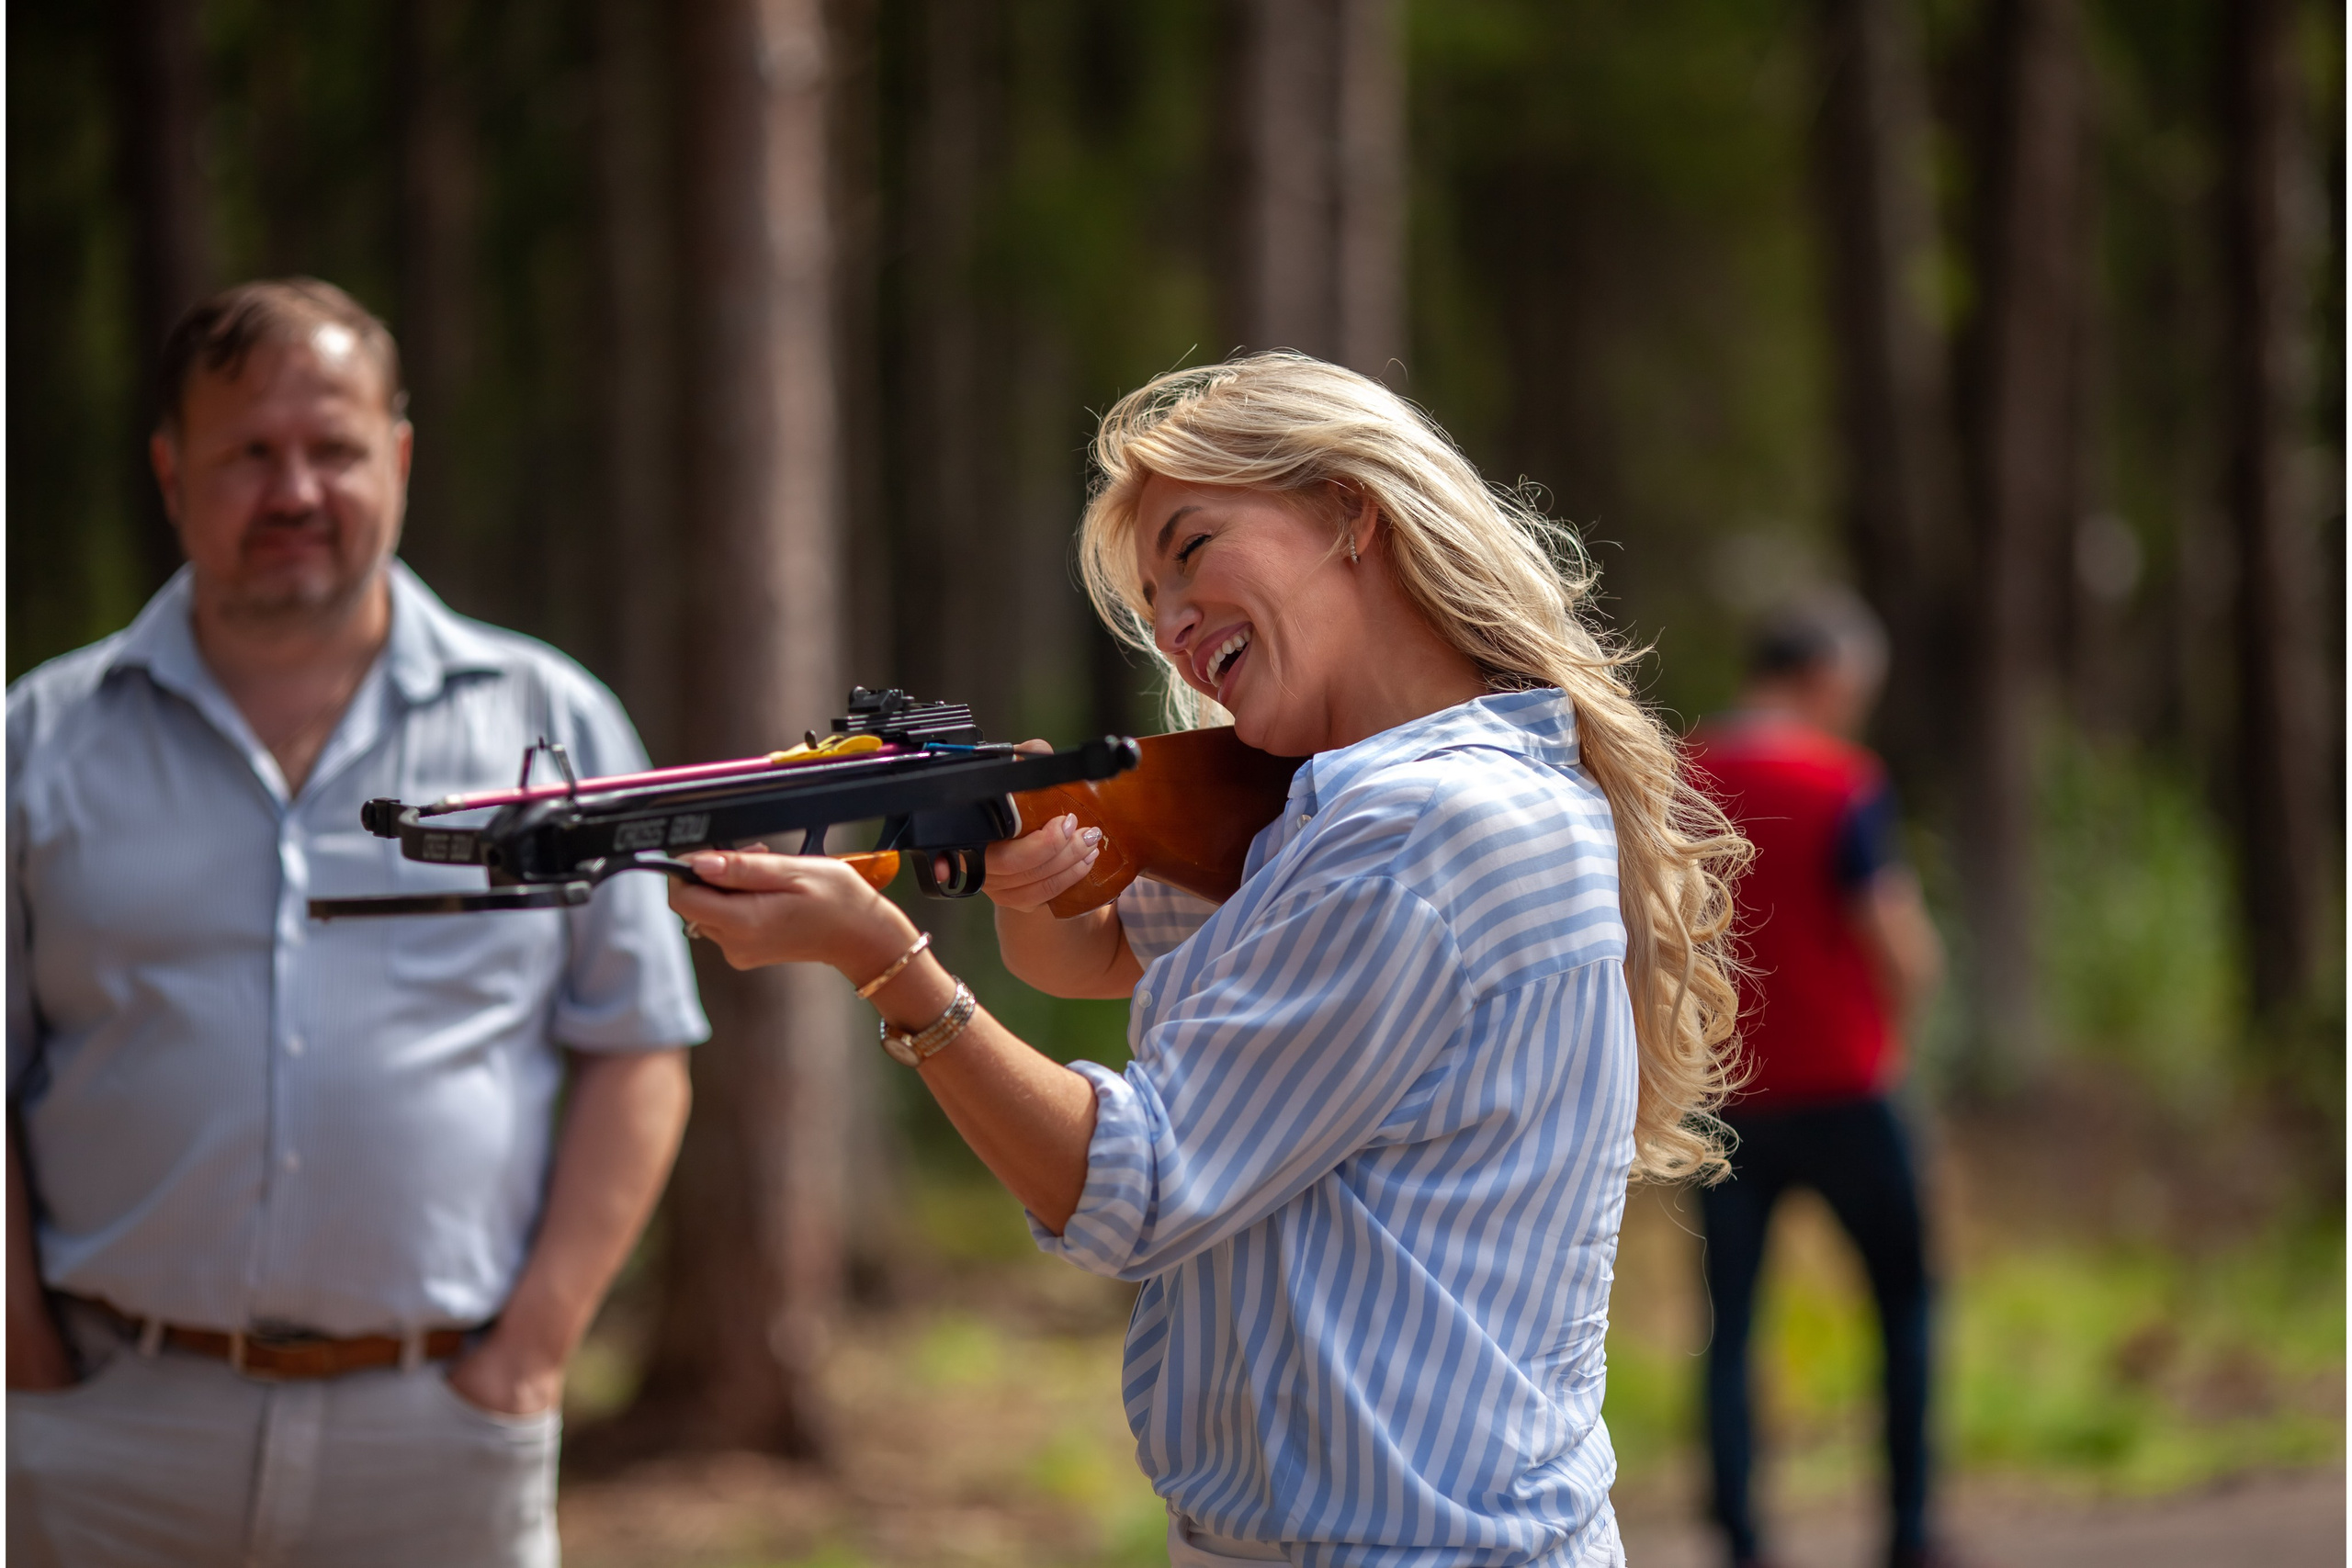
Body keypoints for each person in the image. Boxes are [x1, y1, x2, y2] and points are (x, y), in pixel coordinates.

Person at [671, 352, 1747, 1566]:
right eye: (1149, 601)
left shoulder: (1415, 831)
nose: (1173, 626)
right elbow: (1095, 952)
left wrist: (885, 959)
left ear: (1352, 511)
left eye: (1193, 548)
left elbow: (1139, 1186)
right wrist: (1032, 871)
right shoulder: (1345, 805)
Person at [6, 278, 707, 1568]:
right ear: (171, 473)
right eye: (248, 454)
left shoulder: (552, 727)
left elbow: (637, 1043)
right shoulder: (37, 741)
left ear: (397, 456)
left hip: (436, 1436)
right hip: (103, 1431)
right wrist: (21, 1345)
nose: (295, 491)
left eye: (332, 448)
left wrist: (533, 1346)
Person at [1684, 592, 1948, 1568]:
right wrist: (1902, 1037)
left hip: (1724, 1097)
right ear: (1826, 676)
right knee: (1904, 1302)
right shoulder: (1842, 781)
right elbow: (1900, 944)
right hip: (1845, 1087)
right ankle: (1909, 1529)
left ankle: (1742, 1540)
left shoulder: (1677, 775)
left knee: (1731, 1322)